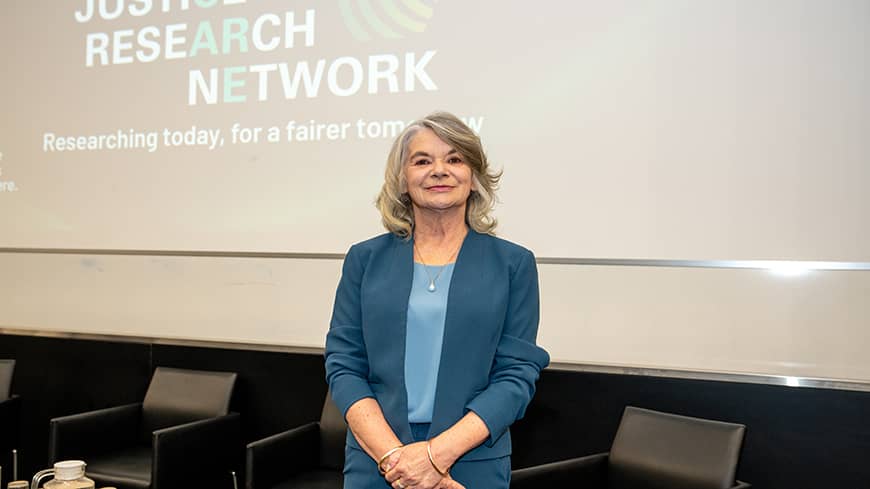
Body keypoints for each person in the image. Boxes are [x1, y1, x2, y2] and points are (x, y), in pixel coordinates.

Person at [325, 111, 549, 489]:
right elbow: (344, 365)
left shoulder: (513, 264)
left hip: (471, 461)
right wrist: (399, 462)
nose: (439, 170)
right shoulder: (364, 260)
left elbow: (516, 376)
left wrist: (434, 457)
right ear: (402, 180)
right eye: (422, 161)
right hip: (377, 462)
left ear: (474, 177)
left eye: (455, 159)